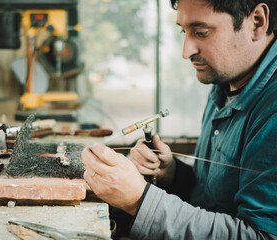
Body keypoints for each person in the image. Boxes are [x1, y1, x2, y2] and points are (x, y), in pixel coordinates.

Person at [81, 0, 277, 239]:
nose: (186, 52)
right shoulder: (225, 83)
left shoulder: (271, 108)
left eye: (201, 32)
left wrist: (138, 200)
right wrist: (172, 173)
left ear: (256, 21)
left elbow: (260, 236)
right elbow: (214, 200)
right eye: (184, 32)